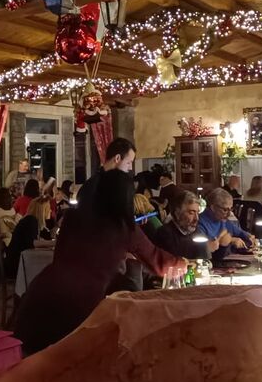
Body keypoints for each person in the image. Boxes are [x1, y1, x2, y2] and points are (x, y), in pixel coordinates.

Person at [14, 170, 185, 354]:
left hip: (41, 294)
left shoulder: (72, 218)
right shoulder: (123, 227)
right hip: (79, 307)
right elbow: (158, 260)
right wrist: (184, 263)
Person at [153, 191, 219, 261]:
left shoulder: (198, 232)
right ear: (177, 213)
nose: (196, 218)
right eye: (191, 213)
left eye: (197, 213)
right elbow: (171, 262)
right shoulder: (164, 234)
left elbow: (206, 262)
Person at [198, 187, 255, 262]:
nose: (229, 214)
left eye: (230, 209)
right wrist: (230, 240)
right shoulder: (200, 223)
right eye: (225, 210)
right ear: (213, 207)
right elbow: (204, 252)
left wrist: (250, 237)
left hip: (225, 260)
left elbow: (240, 232)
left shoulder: (222, 220)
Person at [77, 137, 137, 207]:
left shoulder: (120, 184)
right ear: (117, 158)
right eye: (128, 162)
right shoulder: (92, 187)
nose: (130, 168)